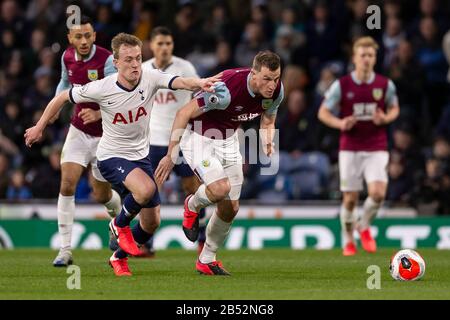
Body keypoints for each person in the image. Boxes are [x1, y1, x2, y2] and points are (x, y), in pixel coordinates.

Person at [24, 32, 219, 276]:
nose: (135, 64)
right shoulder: (102, 87)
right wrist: (40, 126)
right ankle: (117, 224)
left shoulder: (149, 78)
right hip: (111, 156)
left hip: (140, 157)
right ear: (115, 63)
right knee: (147, 189)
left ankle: (118, 257)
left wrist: (200, 83)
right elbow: (63, 96)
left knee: (151, 223)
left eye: (138, 58)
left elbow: (179, 81)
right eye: (128, 60)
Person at [155, 51, 284, 275]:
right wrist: (171, 154)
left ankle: (207, 259)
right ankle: (192, 205)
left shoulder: (276, 92)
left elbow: (268, 119)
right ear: (253, 74)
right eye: (266, 79)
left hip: (229, 139)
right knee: (219, 189)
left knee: (230, 207)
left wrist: (268, 139)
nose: (272, 85)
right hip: (198, 137)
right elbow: (183, 113)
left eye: (275, 78)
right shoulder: (225, 89)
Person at [318, 36, 400, 256]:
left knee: (378, 193)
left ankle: (363, 226)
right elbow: (323, 112)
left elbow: (394, 108)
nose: (366, 59)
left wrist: (386, 118)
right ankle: (347, 238)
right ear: (354, 58)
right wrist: (341, 123)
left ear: (375, 58)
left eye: (370, 55)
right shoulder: (342, 85)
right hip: (350, 147)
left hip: (376, 145)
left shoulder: (384, 84)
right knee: (351, 198)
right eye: (362, 55)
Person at [50, 16, 122, 267]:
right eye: (78, 36)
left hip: (106, 136)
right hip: (79, 131)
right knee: (67, 183)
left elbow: (119, 95)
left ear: (94, 36)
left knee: (101, 194)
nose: (83, 41)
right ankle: (65, 250)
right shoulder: (66, 57)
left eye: (88, 36)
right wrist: (56, 105)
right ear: (70, 38)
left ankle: (118, 223)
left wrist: (99, 113)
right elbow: (64, 82)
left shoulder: (107, 60)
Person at [141, 26, 206, 256]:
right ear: (151, 45)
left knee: (193, 188)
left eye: (168, 43)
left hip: (182, 139)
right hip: (153, 140)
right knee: (149, 192)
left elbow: (201, 95)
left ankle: (202, 238)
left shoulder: (185, 67)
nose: (165, 48)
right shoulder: (142, 69)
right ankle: (146, 243)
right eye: (160, 43)